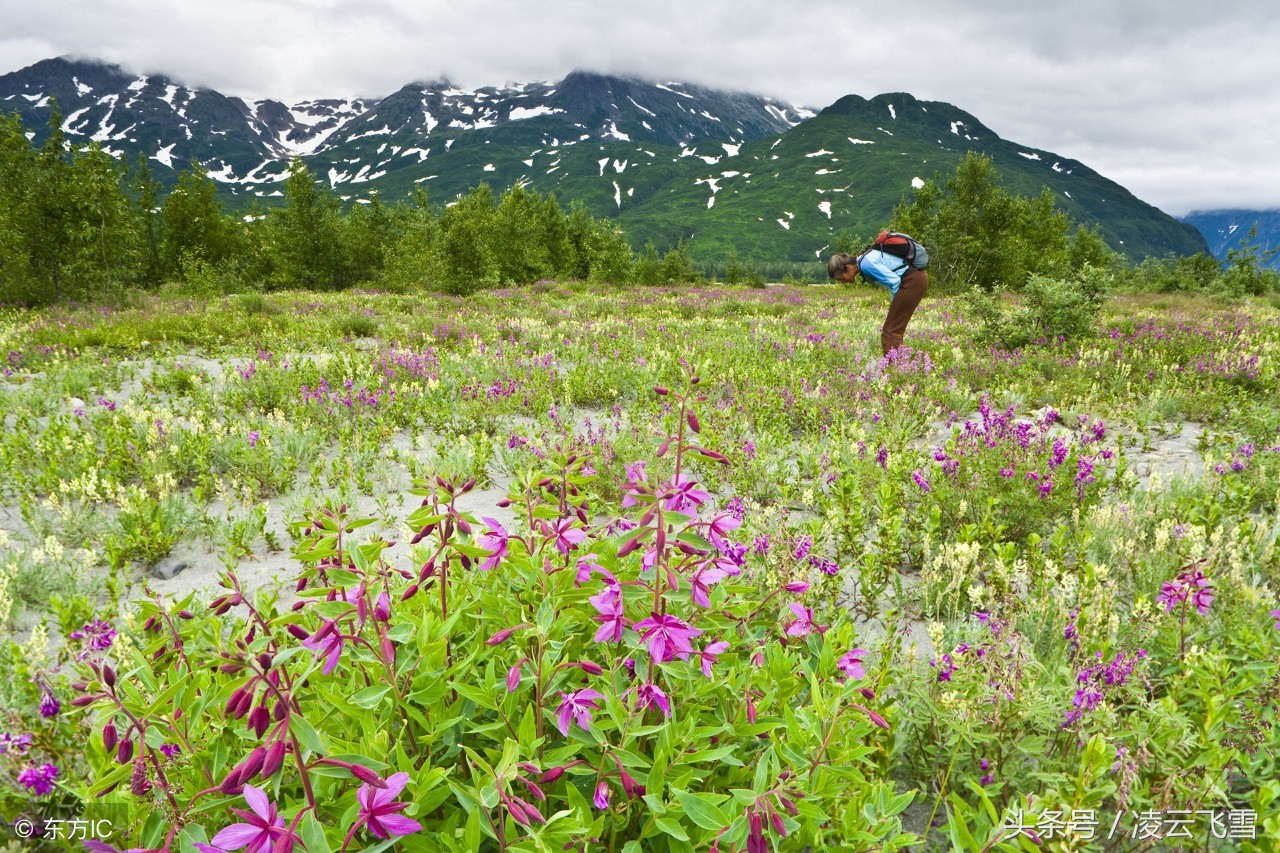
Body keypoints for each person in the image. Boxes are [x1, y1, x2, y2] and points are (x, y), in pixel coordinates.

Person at [828, 242, 929, 356]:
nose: (843, 282)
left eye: (841, 278)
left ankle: (894, 367)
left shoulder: (865, 264)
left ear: (847, 267)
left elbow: (894, 281)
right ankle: (899, 363)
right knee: (893, 328)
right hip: (916, 279)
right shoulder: (865, 259)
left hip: (912, 281)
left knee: (890, 330)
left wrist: (894, 303)